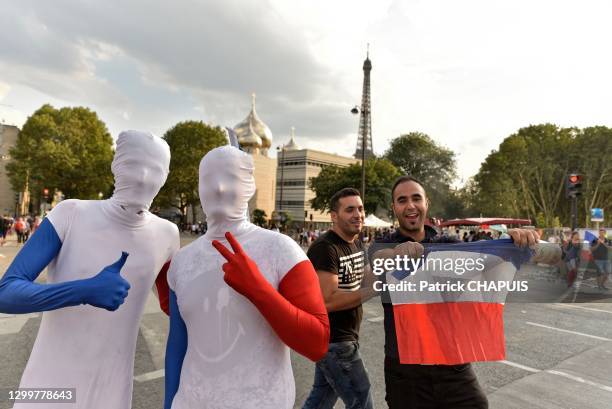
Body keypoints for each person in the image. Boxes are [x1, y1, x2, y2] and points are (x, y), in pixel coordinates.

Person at [0, 130, 180, 409]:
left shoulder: (167, 235)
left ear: (166, 175)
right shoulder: (70, 214)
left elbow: (180, 310)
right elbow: (6, 291)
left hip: (112, 394)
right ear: (115, 165)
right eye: (133, 165)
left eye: (155, 170)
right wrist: (82, 290)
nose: (143, 177)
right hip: (48, 388)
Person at [164, 146, 329, 409]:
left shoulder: (281, 250)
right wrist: (168, 401)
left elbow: (317, 343)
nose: (218, 188)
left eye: (230, 178)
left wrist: (258, 289)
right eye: (208, 180)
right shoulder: (182, 262)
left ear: (249, 186)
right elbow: (177, 343)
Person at [369, 175, 552, 409]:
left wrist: (515, 242)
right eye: (402, 200)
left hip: (452, 363)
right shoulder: (383, 245)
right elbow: (376, 260)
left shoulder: (450, 244)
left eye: (416, 198)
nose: (410, 205)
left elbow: (488, 262)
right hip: (406, 372)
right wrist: (397, 254)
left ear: (427, 203)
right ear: (394, 207)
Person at [302, 188, 377, 409]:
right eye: (350, 209)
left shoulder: (356, 240)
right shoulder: (325, 249)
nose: (358, 214)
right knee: (361, 401)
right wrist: (374, 290)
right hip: (335, 342)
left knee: (321, 400)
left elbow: (366, 277)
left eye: (361, 209)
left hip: (345, 339)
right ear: (334, 216)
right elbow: (328, 301)